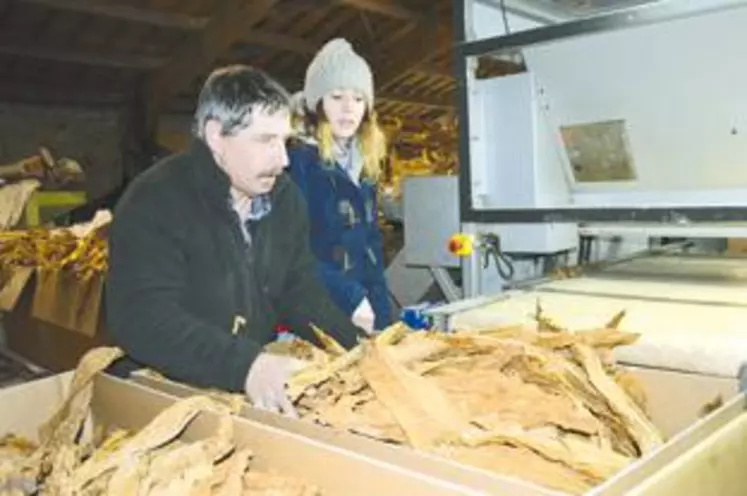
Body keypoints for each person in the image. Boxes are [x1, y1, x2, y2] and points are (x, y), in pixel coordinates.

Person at [105, 65, 365, 416]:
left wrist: (358, 350)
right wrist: (245, 365)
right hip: (169, 393)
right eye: (265, 140)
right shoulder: (155, 200)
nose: (283, 159)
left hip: (245, 388)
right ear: (216, 137)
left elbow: (300, 292)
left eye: (284, 141)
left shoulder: (285, 200)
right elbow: (143, 318)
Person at [287, 38, 393, 334]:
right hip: (316, 311)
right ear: (317, 104)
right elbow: (291, 252)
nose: (349, 108)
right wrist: (351, 296)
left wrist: (385, 321)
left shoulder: (364, 166)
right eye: (337, 97)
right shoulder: (299, 163)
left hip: (363, 310)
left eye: (359, 99)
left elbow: (371, 246)